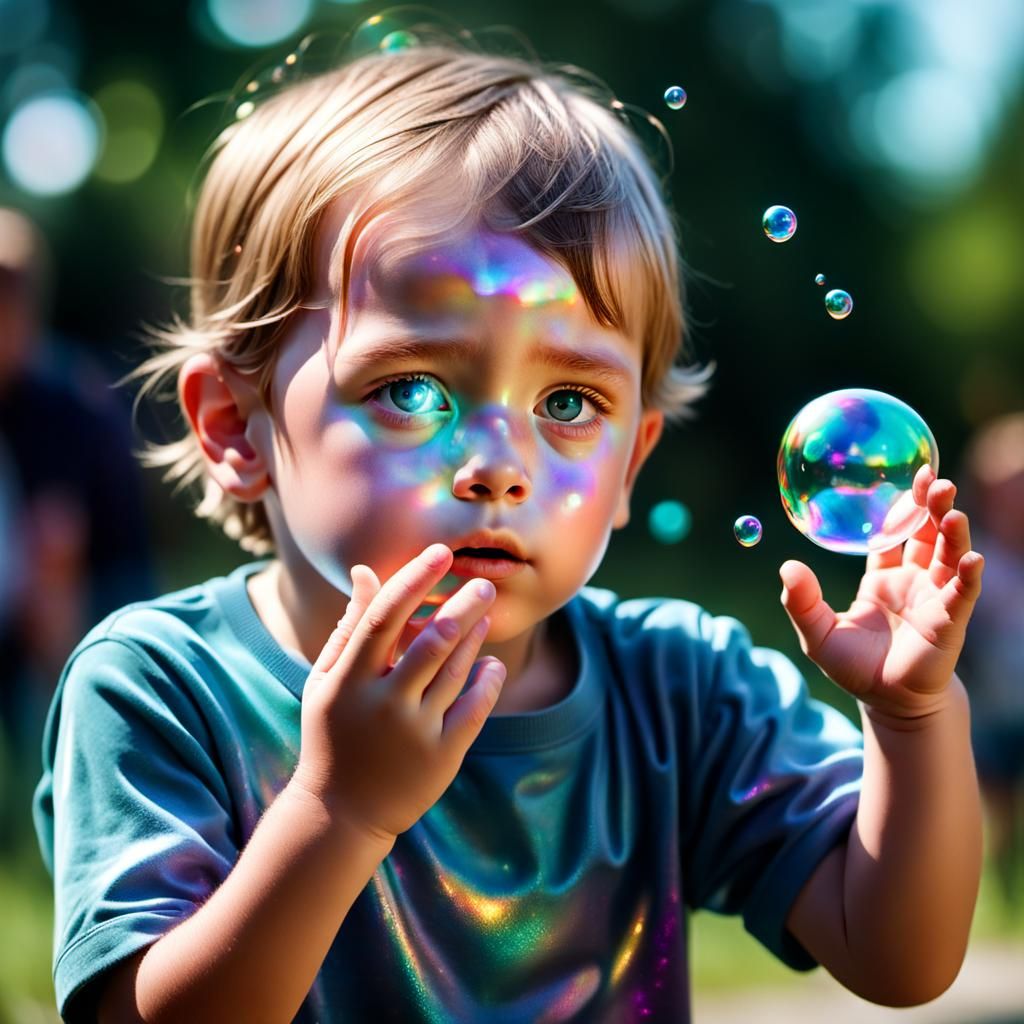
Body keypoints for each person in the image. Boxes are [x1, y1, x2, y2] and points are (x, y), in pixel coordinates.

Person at [33, 37, 984, 1024]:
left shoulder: (679, 691)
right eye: (413, 389)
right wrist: (336, 811)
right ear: (237, 426)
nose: (499, 462)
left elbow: (899, 958)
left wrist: (913, 719)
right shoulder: (161, 687)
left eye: (568, 403)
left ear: (630, 462)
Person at [958, 413, 1024, 913]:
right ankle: (1006, 898)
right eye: (1010, 485)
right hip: (989, 708)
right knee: (998, 810)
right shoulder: (973, 556)